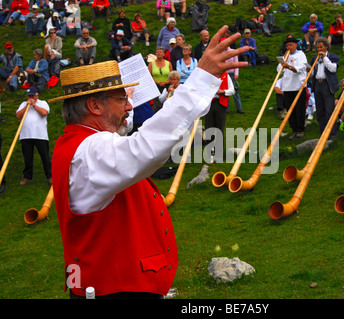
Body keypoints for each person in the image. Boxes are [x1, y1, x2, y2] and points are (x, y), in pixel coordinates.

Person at [47, 25, 248, 299]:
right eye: (121, 100)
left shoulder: (77, 143)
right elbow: (144, 148)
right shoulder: (90, 151)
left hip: (102, 284)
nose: (129, 106)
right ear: (94, 107)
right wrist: (200, 79)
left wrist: (120, 112)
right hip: (114, 290)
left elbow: (121, 137)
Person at [15, 86, 52, 186]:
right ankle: (27, 177)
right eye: (28, 96)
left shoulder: (43, 103)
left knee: (45, 157)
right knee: (27, 158)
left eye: (32, 96)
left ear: (37, 95)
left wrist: (34, 105)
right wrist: (26, 106)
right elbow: (18, 116)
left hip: (40, 135)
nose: (30, 98)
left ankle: (50, 176)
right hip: (26, 136)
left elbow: (44, 113)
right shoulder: (23, 104)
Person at [278, 36, 308, 140]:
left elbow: (301, 68)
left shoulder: (301, 54)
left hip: (298, 86)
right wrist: (283, 60)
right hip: (287, 87)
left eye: (291, 45)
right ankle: (294, 129)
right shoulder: (285, 56)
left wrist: (289, 66)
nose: (289, 47)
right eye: (287, 45)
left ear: (296, 45)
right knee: (290, 109)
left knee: (299, 109)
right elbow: (279, 70)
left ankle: (300, 130)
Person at [309, 37, 339, 139]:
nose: (319, 49)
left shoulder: (333, 57)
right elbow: (312, 74)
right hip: (317, 84)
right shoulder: (314, 59)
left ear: (326, 46)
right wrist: (309, 70)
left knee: (329, 111)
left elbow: (333, 69)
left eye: (321, 47)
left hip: (327, 85)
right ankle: (323, 133)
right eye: (318, 48)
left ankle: (332, 134)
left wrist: (325, 57)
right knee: (320, 111)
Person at [204, 71, 235, 146]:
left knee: (220, 127)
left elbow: (232, 90)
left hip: (221, 103)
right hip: (209, 103)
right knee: (209, 127)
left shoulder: (225, 75)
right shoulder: (207, 76)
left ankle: (219, 149)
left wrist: (223, 91)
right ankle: (210, 148)